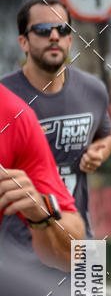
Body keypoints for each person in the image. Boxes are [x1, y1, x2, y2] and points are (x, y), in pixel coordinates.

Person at [1, 0, 111, 256]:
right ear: (23, 42)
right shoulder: (5, 98)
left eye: (62, 30)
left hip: (79, 240)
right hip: (16, 252)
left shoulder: (93, 90)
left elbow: (106, 136)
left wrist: (100, 151)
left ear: (70, 39)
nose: (54, 36)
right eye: (42, 30)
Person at [0, 82, 84, 270]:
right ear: (25, 50)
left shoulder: (17, 114)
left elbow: (75, 252)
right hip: (13, 245)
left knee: (88, 293)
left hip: (76, 212)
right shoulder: (14, 86)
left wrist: (40, 212)